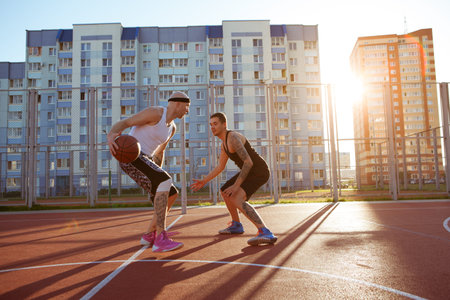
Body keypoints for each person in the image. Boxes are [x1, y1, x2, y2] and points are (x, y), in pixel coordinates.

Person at [107, 91, 190, 252]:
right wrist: (111, 135)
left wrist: (159, 174)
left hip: (146, 160)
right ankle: (160, 238)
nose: (187, 111)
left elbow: (160, 152)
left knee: (171, 192)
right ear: (178, 103)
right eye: (186, 106)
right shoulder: (156, 113)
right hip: (132, 156)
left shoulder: (171, 128)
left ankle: (149, 235)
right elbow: (126, 122)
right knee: (165, 181)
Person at [190, 112, 277, 246]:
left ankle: (264, 231)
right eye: (211, 125)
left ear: (224, 125)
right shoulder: (224, 144)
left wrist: (236, 186)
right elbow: (220, 167)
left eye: (215, 124)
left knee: (236, 197)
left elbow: (248, 162)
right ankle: (236, 224)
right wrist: (204, 181)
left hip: (259, 171)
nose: (212, 127)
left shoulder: (233, 138)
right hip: (249, 171)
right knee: (225, 191)